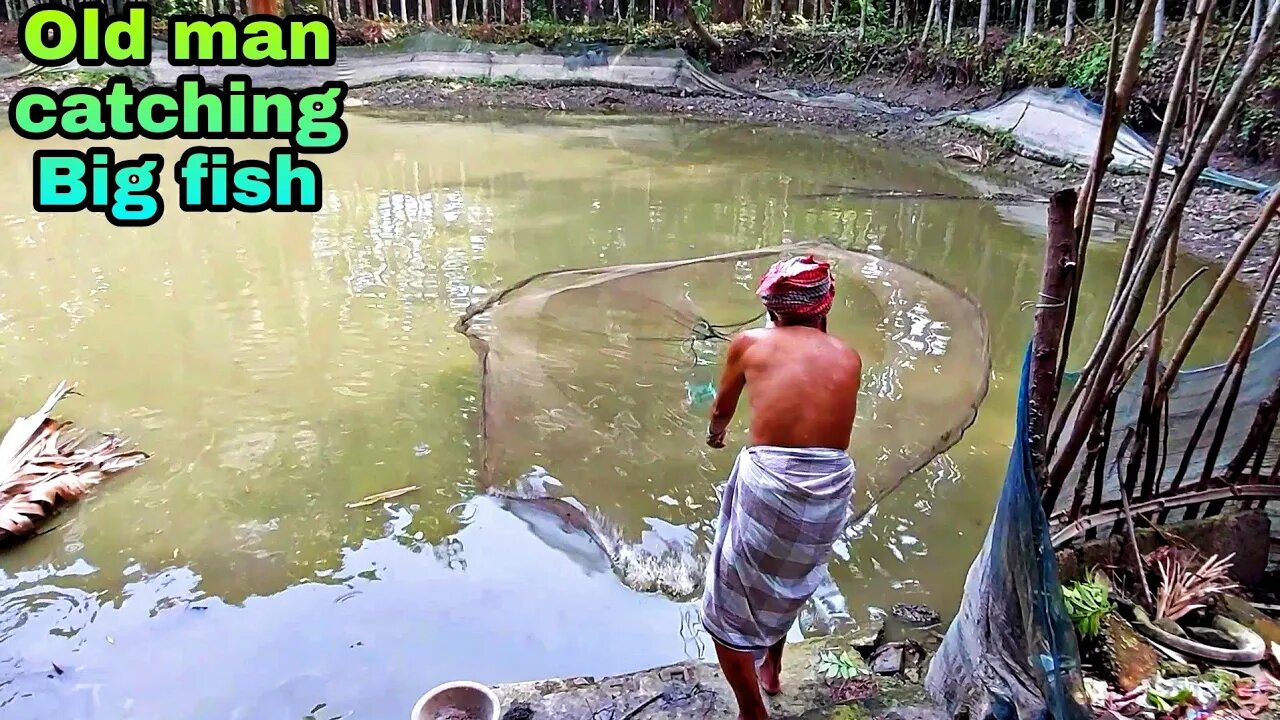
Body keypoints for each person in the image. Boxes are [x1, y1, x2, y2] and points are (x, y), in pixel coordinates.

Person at [699, 255, 862, 720]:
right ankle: (771, 671)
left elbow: (721, 411)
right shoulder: (848, 356)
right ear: (824, 306)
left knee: (730, 602)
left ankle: (752, 709)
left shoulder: (749, 344)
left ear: (772, 309)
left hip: (771, 484)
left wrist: (715, 436)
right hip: (830, 486)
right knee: (785, 582)